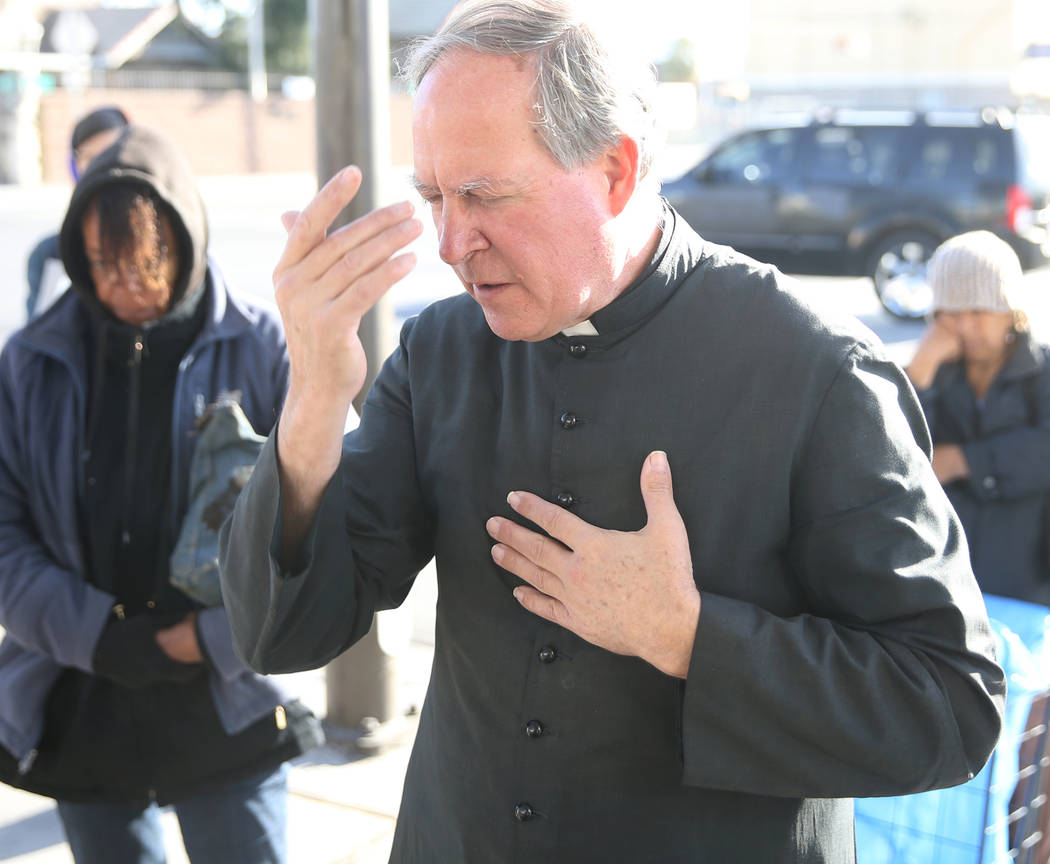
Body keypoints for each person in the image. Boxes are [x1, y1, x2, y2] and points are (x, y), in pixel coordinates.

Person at [220, 2, 1004, 860]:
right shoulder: (443, 351)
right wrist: (311, 408)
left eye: (483, 194)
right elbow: (281, 632)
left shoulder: (816, 371)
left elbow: (951, 706)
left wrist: (691, 639)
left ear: (616, 170)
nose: (452, 241)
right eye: (432, 196)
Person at [0, 124, 323, 863]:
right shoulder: (29, 363)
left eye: (147, 262)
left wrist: (206, 639)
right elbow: (4, 533)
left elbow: (314, 521)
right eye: (104, 264)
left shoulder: (262, 344)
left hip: (225, 691)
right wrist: (96, 634)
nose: (127, 287)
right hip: (82, 687)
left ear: (187, 238)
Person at [903, 229, 1050, 860]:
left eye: (976, 309)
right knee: (963, 715)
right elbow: (893, 445)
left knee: (1030, 732)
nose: (963, 325)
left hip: (1030, 573)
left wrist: (964, 459)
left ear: (1008, 308)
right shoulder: (939, 373)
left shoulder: (1040, 371)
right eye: (949, 311)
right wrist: (922, 368)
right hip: (957, 581)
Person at [25, 105, 130, 320]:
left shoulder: (161, 243)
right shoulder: (51, 255)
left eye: (110, 153)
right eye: (90, 158)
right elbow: (34, 339)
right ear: (75, 167)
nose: (102, 167)